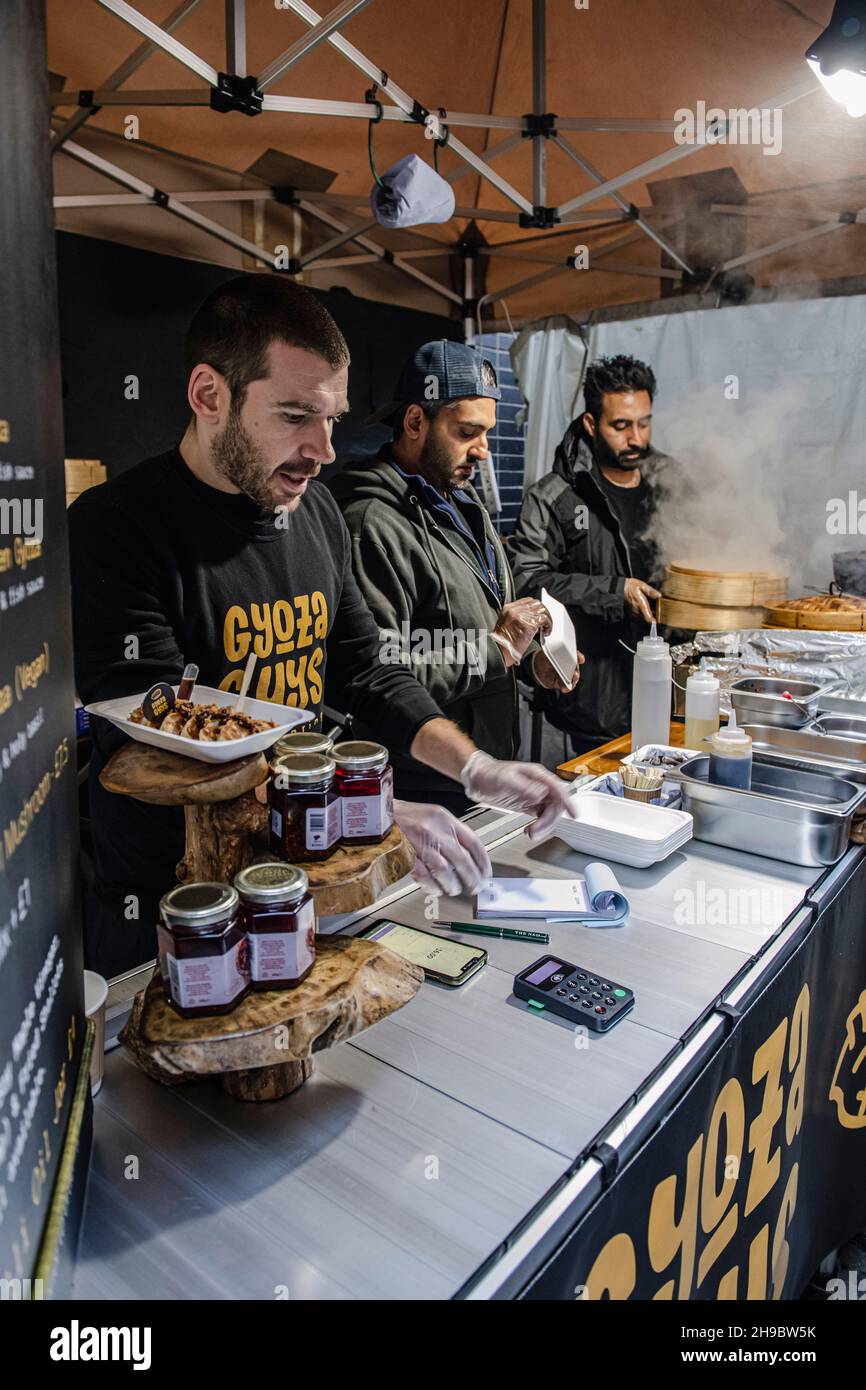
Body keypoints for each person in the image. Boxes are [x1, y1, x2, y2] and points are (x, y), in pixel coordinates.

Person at [69, 276, 573, 977]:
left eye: (331, 419)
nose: (324, 449)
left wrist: (474, 766)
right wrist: (368, 813)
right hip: (178, 912)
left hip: (295, 880)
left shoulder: (318, 515)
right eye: (295, 416)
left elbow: (370, 670)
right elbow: (167, 739)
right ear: (209, 395)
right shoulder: (115, 529)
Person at [330, 340, 582, 810]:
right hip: (424, 790)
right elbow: (381, 674)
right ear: (413, 422)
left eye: (485, 432)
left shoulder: (465, 508)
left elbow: (478, 627)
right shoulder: (371, 523)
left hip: (485, 774)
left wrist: (530, 661)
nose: (483, 451)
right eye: (468, 432)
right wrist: (498, 648)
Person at [509, 354, 682, 755]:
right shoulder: (555, 497)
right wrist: (615, 590)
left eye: (643, 423)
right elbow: (526, 582)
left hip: (666, 698)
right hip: (590, 705)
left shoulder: (670, 483)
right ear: (591, 423)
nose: (636, 438)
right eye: (620, 426)